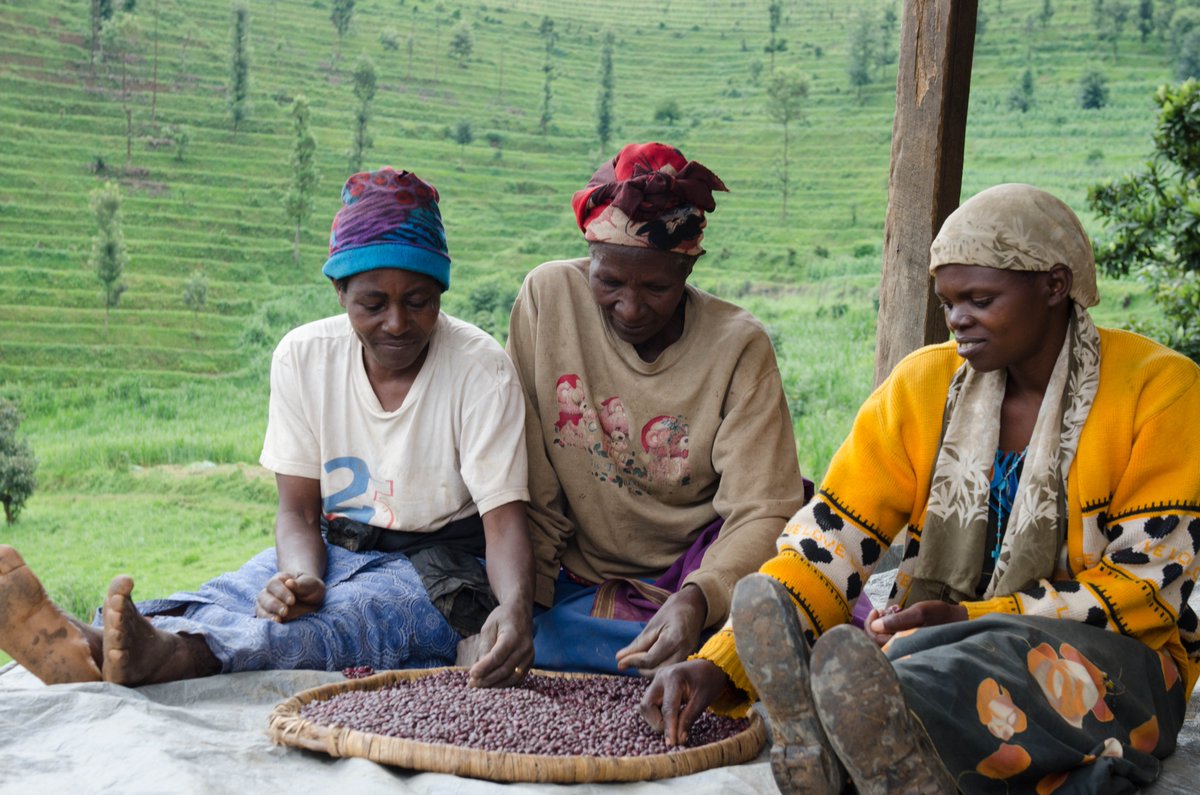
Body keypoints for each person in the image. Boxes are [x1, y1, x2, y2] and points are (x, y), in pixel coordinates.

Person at [642, 183, 1200, 794]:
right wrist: (719, 664)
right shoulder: (922, 386)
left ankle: (845, 738)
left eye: (981, 299)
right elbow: (829, 545)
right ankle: (859, 740)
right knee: (893, 668)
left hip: (1124, 672)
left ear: (1054, 286)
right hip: (931, 646)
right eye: (948, 301)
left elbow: (1148, 593)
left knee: (940, 670)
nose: (958, 318)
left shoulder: (1160, 392)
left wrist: (968, 617)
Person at [0, 167, 534, 689]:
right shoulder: (304, 357)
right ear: (339, 292)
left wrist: (513, 610)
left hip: (443, 570)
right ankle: (91, 641)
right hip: (335, 542)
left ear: (441, 292)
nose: (396, 322)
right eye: (373, 304)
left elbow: (505, 525)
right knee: (240, 593)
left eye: (418, 302)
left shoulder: (479, 370)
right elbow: (298, 511)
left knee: (341, 623)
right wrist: (301, 578)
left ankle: (165, 654)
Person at [506, 142, 810, 677]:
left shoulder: (738, 345)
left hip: (700, 564)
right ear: (589, 258)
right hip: (585, 573)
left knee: (793, 614)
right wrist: (523, 603)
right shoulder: (548, 298)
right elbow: (530, 476)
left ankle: (699, 639)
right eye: (609, 281)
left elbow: (762, 508)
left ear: (687, 268)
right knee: (530, 639)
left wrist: (699, 598)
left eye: (656, 287)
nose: (629, 305)